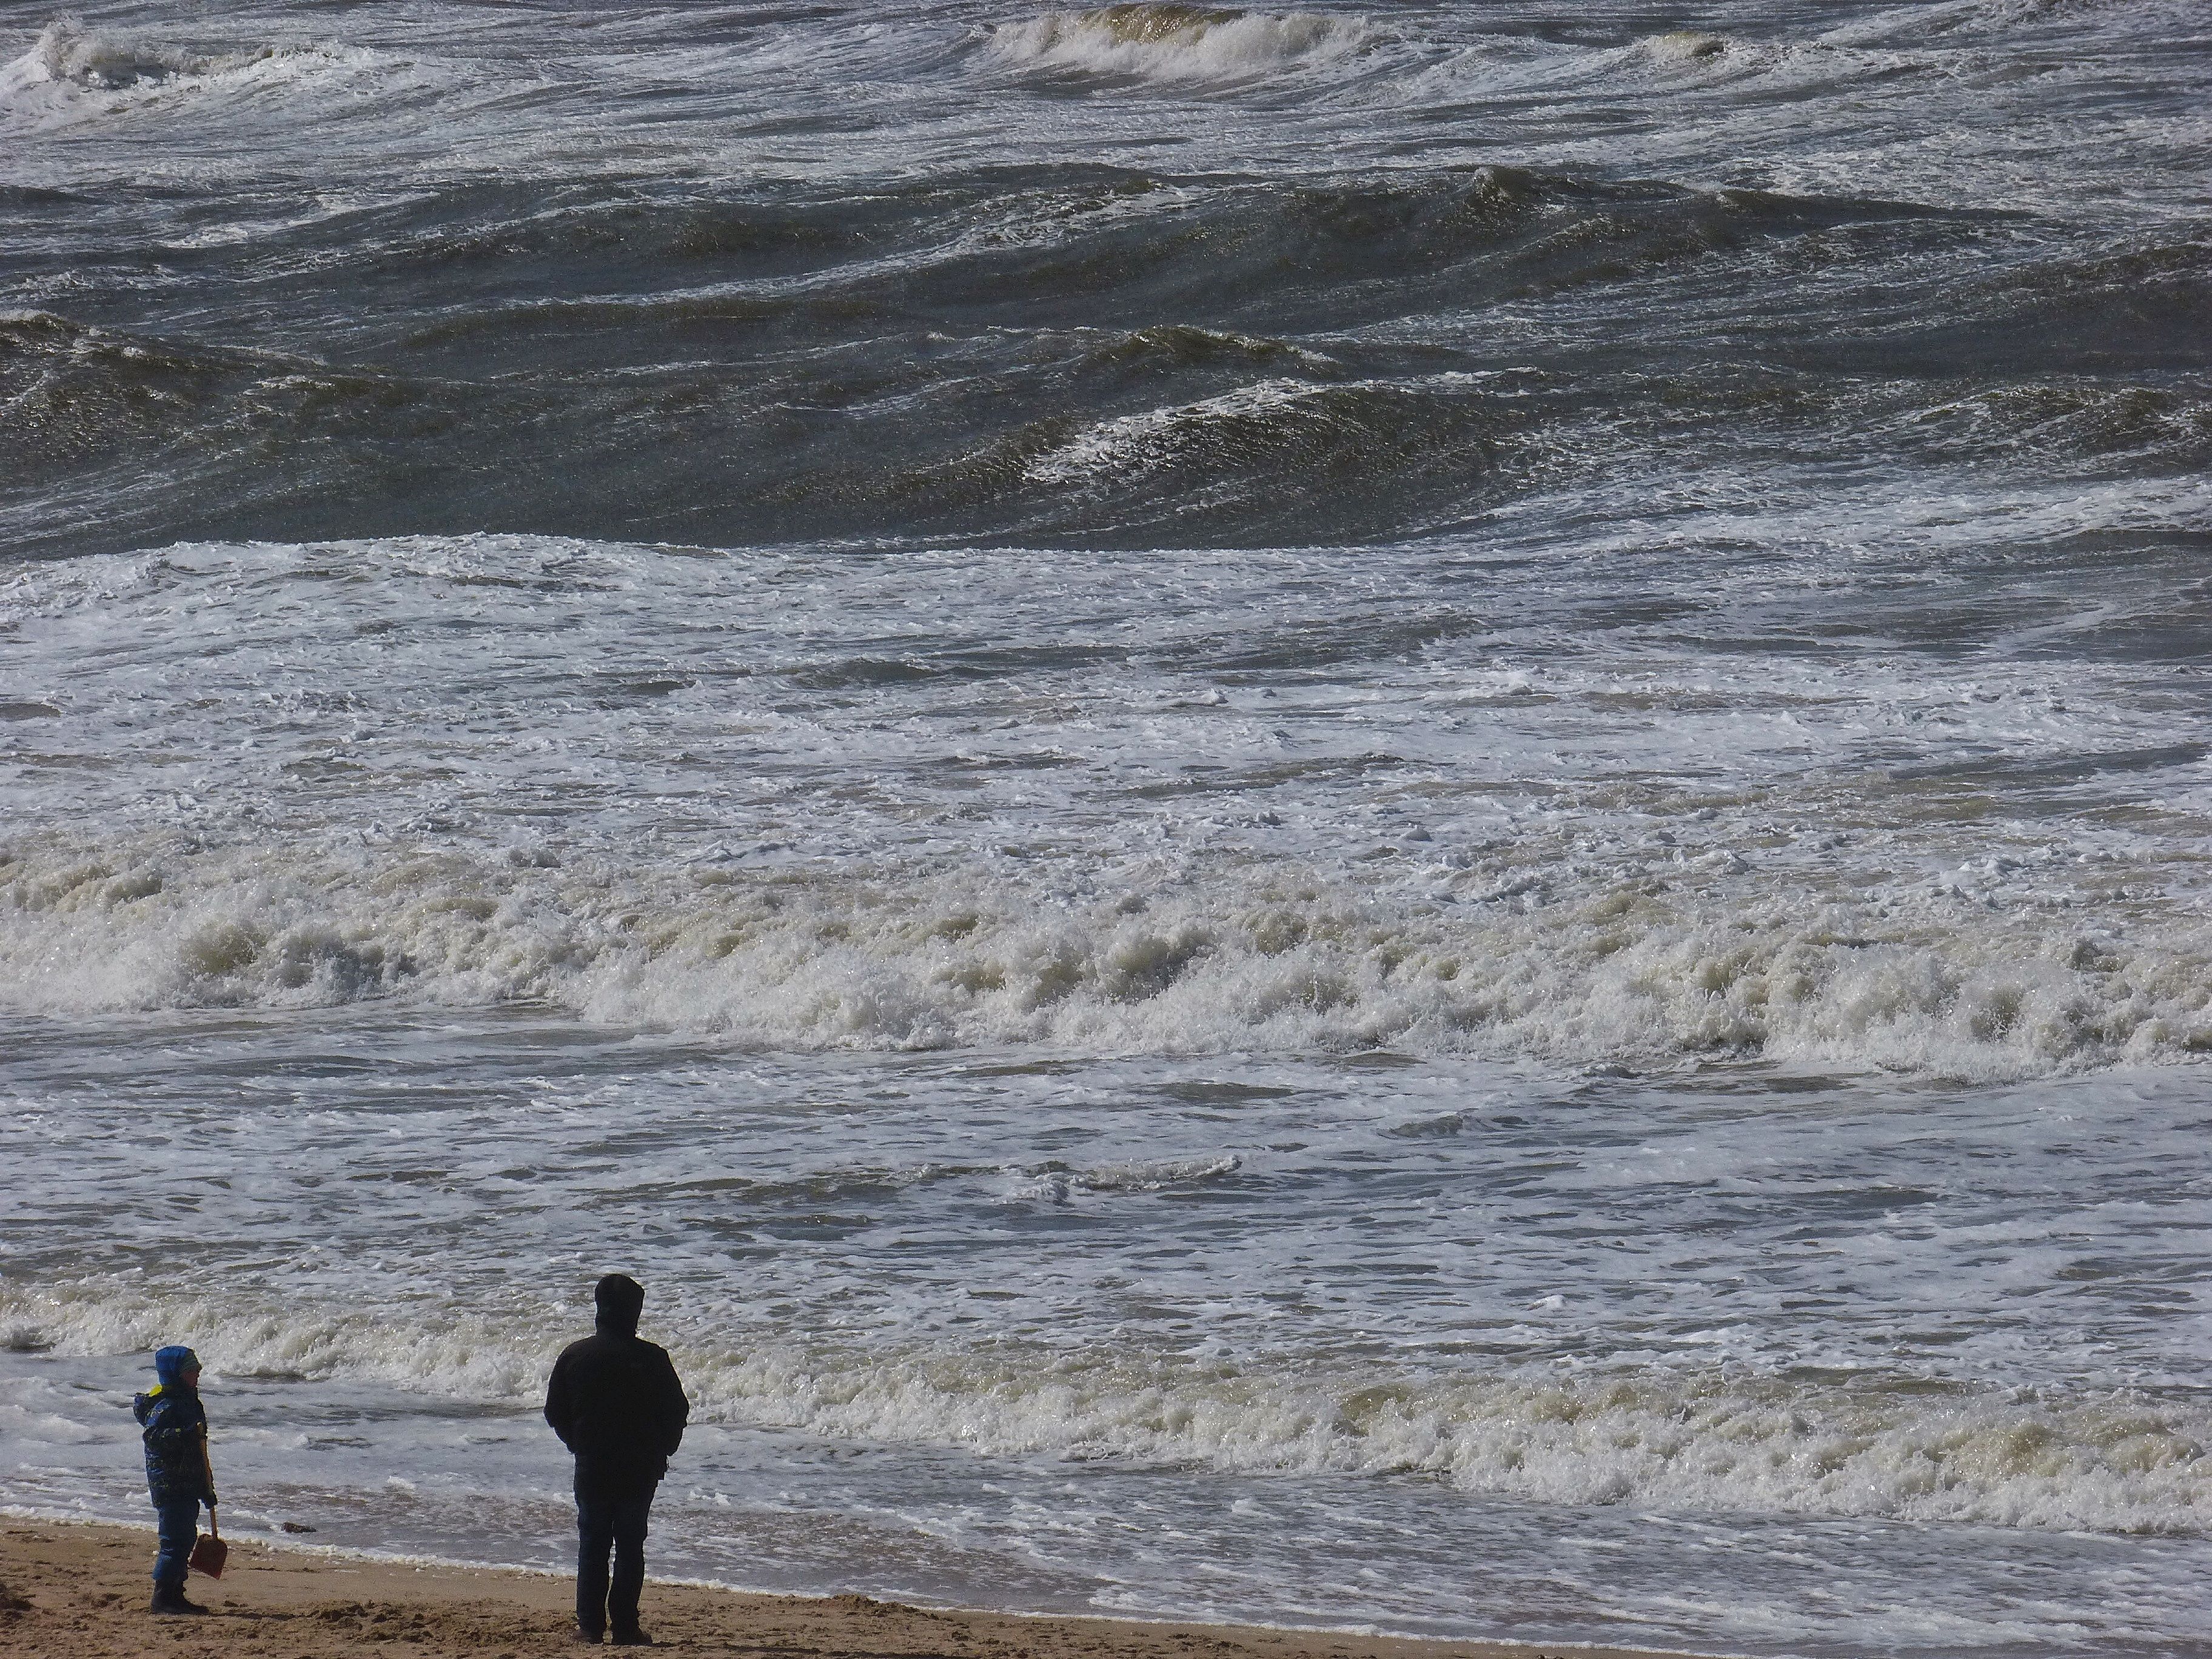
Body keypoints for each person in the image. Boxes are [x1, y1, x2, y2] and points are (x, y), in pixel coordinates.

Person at [545, 1274, 689, 1646]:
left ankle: (590, 1627)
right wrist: (664, 1450)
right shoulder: (653, 1358)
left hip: (592, 1464)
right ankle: (625, 1627)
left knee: (592, 1542)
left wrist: (577, 1443)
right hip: (639, 1468)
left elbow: (554, 1411)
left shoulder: (576, 1356)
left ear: (599, 1310)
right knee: (629, 1544)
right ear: (633, 1312)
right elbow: (677, 1410)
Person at [133, 1344, 217, 1616]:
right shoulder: (166, 1406)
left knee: (185, 1537)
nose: (198, 1372)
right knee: (174, 1540)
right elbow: (154, 1438)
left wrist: (206, 1490)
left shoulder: (189, 1401)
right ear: (176, 1374)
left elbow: (199, 1452)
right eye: (192, 1368)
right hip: (169, 1484)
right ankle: (163, 1597)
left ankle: (176, 1593)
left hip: (188, 1483)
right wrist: (186, 1434)